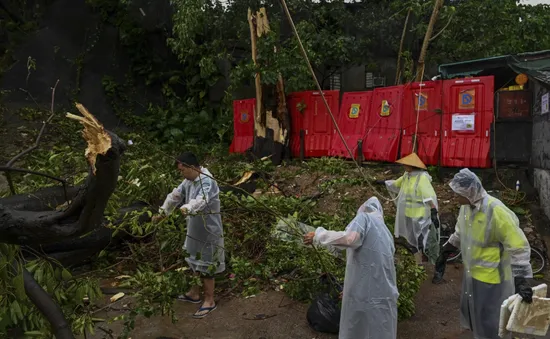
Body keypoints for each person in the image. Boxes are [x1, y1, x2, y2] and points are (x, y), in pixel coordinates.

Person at [432, 168, 533, 339]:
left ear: (469, 191)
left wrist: (521, 280)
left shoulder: (495, 211)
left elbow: (518, 246)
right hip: (473, 276)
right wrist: (446, 251)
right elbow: (459, 233)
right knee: (477, 319)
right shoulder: (466, 208)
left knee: (493, 323)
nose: (455, 197)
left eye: (458, 193)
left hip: (494, 280)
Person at [303, 197, 398, 339]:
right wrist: (350, 289)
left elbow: (349, 238)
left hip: (366, 294)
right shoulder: (385, 232)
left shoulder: (365, 218)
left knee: (358, 326)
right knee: (378, 327)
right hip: (383, 292)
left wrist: (318, 236)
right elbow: (372, 266)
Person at [152, 152, 225, 318]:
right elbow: (175, 196)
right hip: (194, 228)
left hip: (208, 230)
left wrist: (187, 208)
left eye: (182, 170)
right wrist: (163, 212)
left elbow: (201, 200)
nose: (181, 173)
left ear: (192, 167)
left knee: (207, 264)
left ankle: (209, 300)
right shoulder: (189, 181)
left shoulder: (207, 181)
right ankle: (194, 293)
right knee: (193, 260)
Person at [375, 152, 440, 265]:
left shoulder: (422, 178)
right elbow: (396, 184)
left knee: (421, 239)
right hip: (408, 213)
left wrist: (433, 209)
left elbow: (429, 195)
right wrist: (383, 182)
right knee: (411, 239)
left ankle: (427, 259)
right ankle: (418, 260)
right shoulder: (407, 176)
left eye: (406, 165)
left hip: (421, 214)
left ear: (412, 166)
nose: (404, 167)